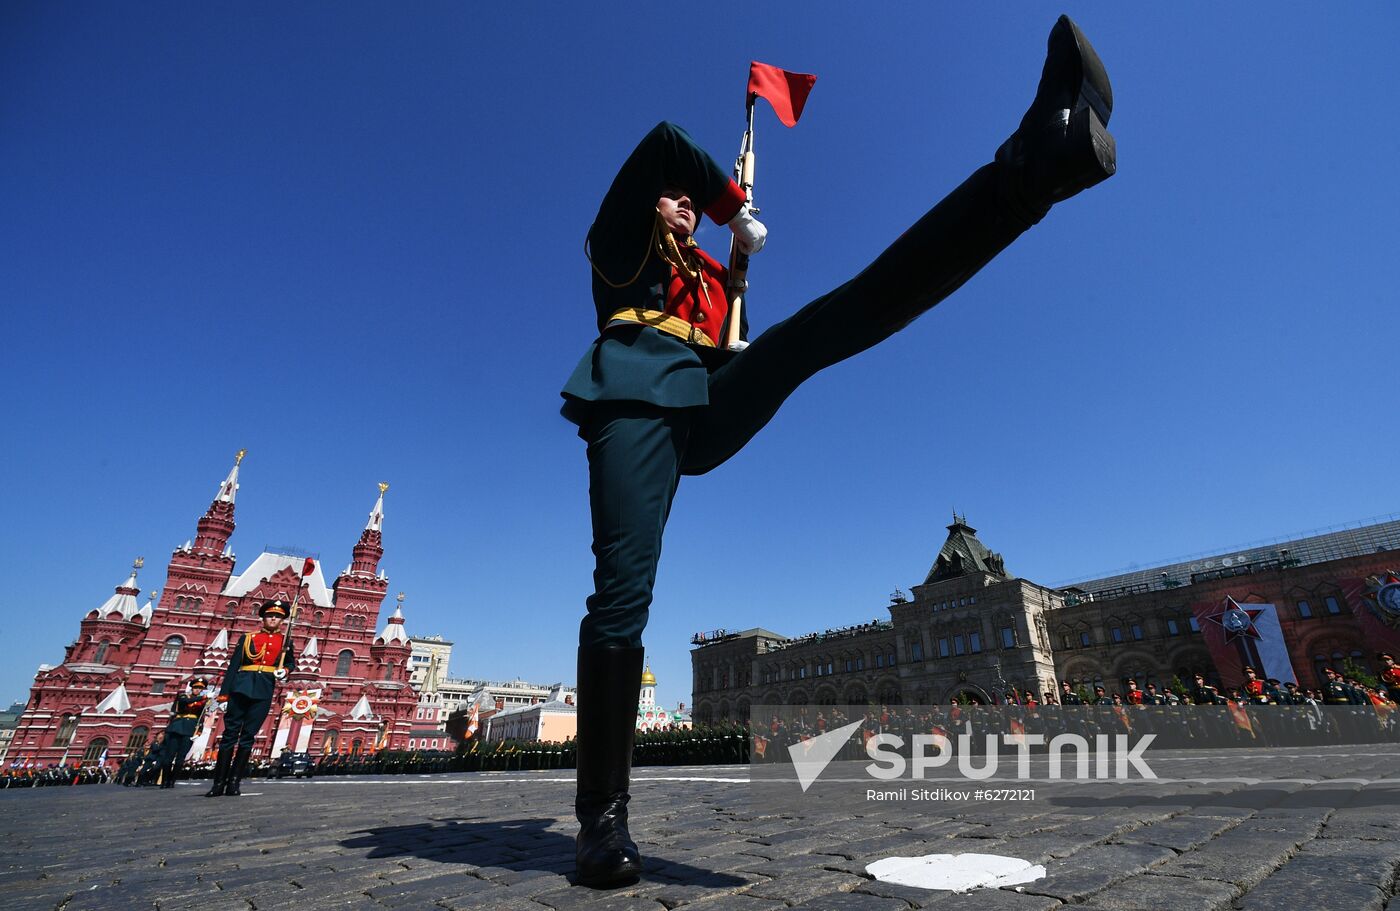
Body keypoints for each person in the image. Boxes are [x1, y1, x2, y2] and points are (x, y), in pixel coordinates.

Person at [560, 15, 1116, 889]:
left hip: (702, 401)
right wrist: (734, 210)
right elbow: (664, 142)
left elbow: (728, 347)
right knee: (623, 592)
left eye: (687, 200)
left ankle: (1034, 169)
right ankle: (601, 818)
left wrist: (735, 280)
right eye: (675, 199)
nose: (678, 203)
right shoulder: (619, 247)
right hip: (632, 406)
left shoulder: (709, 281)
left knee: (829, 322)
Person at [206, 599, 296, 797]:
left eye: (278, 617)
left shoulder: (285, 642)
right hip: (240, 687)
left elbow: (291, 663)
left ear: (282, 621)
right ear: (263, 618)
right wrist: (224, 696)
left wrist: (285, 670)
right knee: (229, 736)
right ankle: (218, 783)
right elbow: (233, 667)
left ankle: (234, 783)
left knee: (248, 737)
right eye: (270, 615)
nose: (273, 619)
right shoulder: (248, 638)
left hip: (264, 690)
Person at [157, 677, 210, 789]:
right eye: (196, 687)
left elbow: (201, 717)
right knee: (169, 757)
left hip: (189, 730)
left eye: (200, 689)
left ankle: (172, 781)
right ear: (192, 687)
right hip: (177, 727)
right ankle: (164, 780)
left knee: (181, 758)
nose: (197, 690)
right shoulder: (183, 695)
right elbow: (185, 702)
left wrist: (199, 731)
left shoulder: (202, 702)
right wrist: (204, 697)